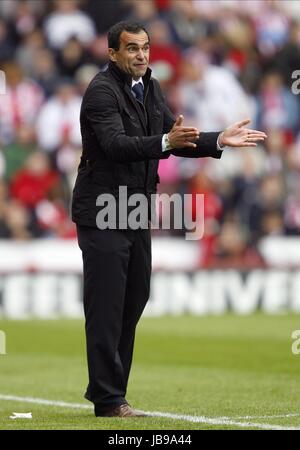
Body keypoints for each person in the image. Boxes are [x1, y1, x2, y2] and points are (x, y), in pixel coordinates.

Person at [71, 21, 266, 418]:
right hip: (103, 208)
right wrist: (164, 142)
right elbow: (115, 145)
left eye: (145, 47)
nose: (141, 55)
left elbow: (173, 138)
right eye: (131, 49)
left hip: (135, 207)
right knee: (107, 305)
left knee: (134, 297)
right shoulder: (100, 93)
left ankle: (109, 392)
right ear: (112, 54)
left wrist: (216, 139)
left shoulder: (151, 88)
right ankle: (109, 400)